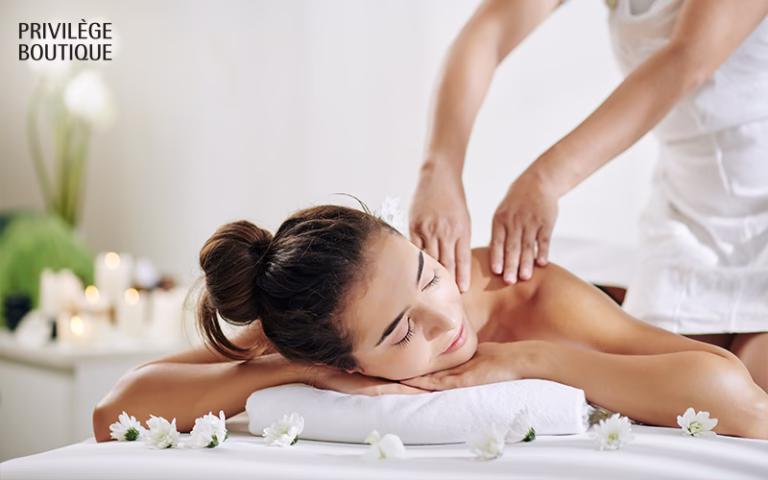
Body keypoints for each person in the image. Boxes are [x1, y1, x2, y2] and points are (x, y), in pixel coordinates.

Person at [92, 205, 768, 442]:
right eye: (397, 332)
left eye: (425, 274)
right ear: (344, 360)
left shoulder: (527, 298)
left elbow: (742, 401)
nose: (445, 319)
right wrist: (288, 368)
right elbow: (113, 412)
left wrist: (533, 360)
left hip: (714, 306)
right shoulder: (315, 330)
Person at [408, 0, 768, 385]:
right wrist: (438, 170)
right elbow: (486, 34)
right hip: (689, 217)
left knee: (752, 384)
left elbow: (687, 60)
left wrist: (544, 181)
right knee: (665, 391)